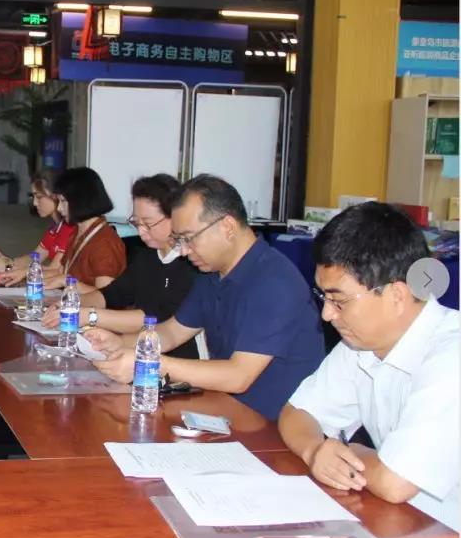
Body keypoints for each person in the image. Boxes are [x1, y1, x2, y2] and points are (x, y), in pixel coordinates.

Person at [276, 202, 458, 538]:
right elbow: (297, 413)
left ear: (396, 294)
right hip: (405, 536)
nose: (327, 315)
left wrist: (351, 450)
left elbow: (395, 483)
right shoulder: (363, 344)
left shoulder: (450, 356)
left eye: (339, 300)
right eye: (324, 298)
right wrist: (315, 449)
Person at [85, 174, 323, 420]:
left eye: (189, 238)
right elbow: (172, 332)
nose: (184, 251)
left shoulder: (275, 281)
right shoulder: (211, 273)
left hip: (274, 427)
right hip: (227, 412)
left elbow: (238, 376)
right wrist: (119, 343)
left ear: (227, 227)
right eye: (179, 240)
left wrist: (150, 363)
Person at [42, 174, 200, 359]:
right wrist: (72, 303)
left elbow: (155, 318)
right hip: (138, 349)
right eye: (137, 223)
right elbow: (111, 294)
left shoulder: (190, 264)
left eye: (148, 224)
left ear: (175, 217)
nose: (141, 232)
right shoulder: (147, 256)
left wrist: (88, 316)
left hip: (173, 358)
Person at [0, 170, 76, 286]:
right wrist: (7, 261)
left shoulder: (69, 228)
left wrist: (8, 268)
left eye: (39, 197)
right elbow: (35, 257)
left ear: (55, 196)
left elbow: (55, 270)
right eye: (33, 197)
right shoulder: (55, 227)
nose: (34, 203)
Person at [46, 167, 126, 294]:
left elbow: (106, 296)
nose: (59, 208)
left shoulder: (105, 243)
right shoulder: (77, 232)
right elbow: (61, 271)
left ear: (80, 200)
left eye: (63, 201)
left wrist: (68, 282)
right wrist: (28, 276)